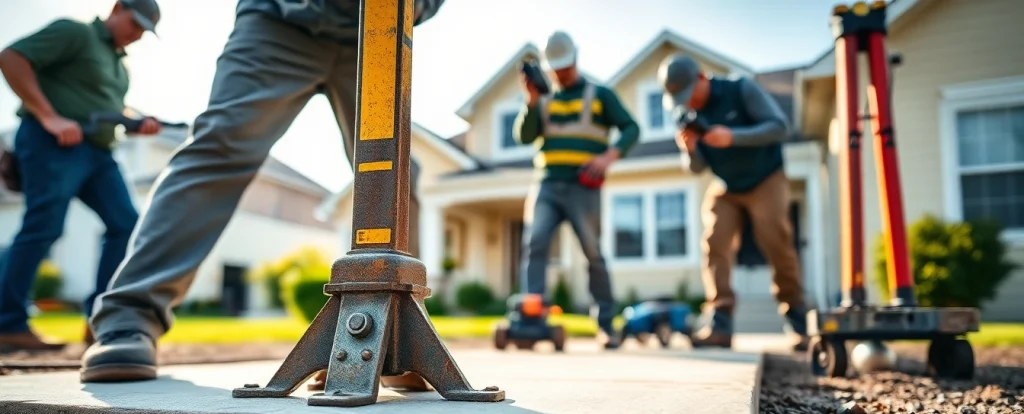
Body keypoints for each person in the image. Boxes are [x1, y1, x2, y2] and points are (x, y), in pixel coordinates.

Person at [80, 0, 443, 384]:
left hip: (376, 29)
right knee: (221, 145)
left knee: (396, 167)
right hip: (279, 20)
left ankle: (396, 333)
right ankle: (130, 316)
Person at [0, 0, 162, 353]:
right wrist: (49, 117)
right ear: (117, 8)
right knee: (44, 226)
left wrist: (137, 122)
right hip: (53, 142)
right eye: (134, 24)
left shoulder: (121, 69)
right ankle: (7, 323)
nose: (136, 35)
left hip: (99, 153)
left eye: (143, 32)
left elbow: (112, 108)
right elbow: (11, 57)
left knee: (126, 224)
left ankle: (100, 320)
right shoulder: (75, 33)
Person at [658, 54, 808, 350]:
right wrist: (690, 150)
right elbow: (697, 169)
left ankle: (796, 316)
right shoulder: (688, 116)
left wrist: (733, 137)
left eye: (689, 95)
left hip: (766, 177)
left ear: (701, 77)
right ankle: (721, 319)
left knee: (776, 237)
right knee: (715, 240)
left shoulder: (741, 89)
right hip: (726, 185)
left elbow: (780, 127)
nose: (688, 103)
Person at [514, 31, 639, 350]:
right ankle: (532, 318)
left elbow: (631, 127)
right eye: (556, 69)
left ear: (575, 59)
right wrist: (530, 102)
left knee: (592, 252)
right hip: (546, 186)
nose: (562, 74)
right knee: (536, 243)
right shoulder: (542, 100)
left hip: (583, 188)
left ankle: (605, 324)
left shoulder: (601, 95)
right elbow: (524, 137)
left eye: (566, 67)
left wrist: (609, 156)